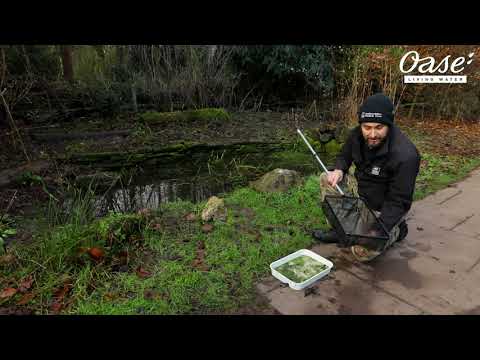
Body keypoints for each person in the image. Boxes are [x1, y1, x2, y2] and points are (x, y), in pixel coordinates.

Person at [312, 93, 421, 262]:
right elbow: (344, 155)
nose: (372, 134)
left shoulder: (406, 156)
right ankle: (340, 230)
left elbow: (399, 201)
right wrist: (339, 170)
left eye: (379, 128)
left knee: (361, 252)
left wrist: (377, 230)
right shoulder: (356, 134)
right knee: (327, 177)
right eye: (367, 127)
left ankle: (397, 231)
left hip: (382, 209)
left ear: (389, 125)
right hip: (361, 195)